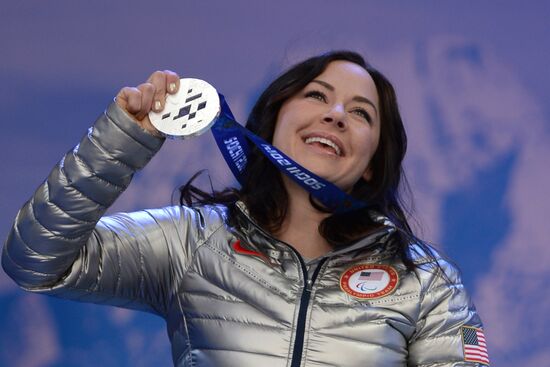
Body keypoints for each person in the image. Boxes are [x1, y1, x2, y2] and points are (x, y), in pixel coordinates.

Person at [2, 51, 489, 366]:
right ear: (273, 121)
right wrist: (122, 137)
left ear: (370, 163)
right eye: (317, 95)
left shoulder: (424, 280)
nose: (336, 114)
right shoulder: (192, 242)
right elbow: (36, 262)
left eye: (360, 113)